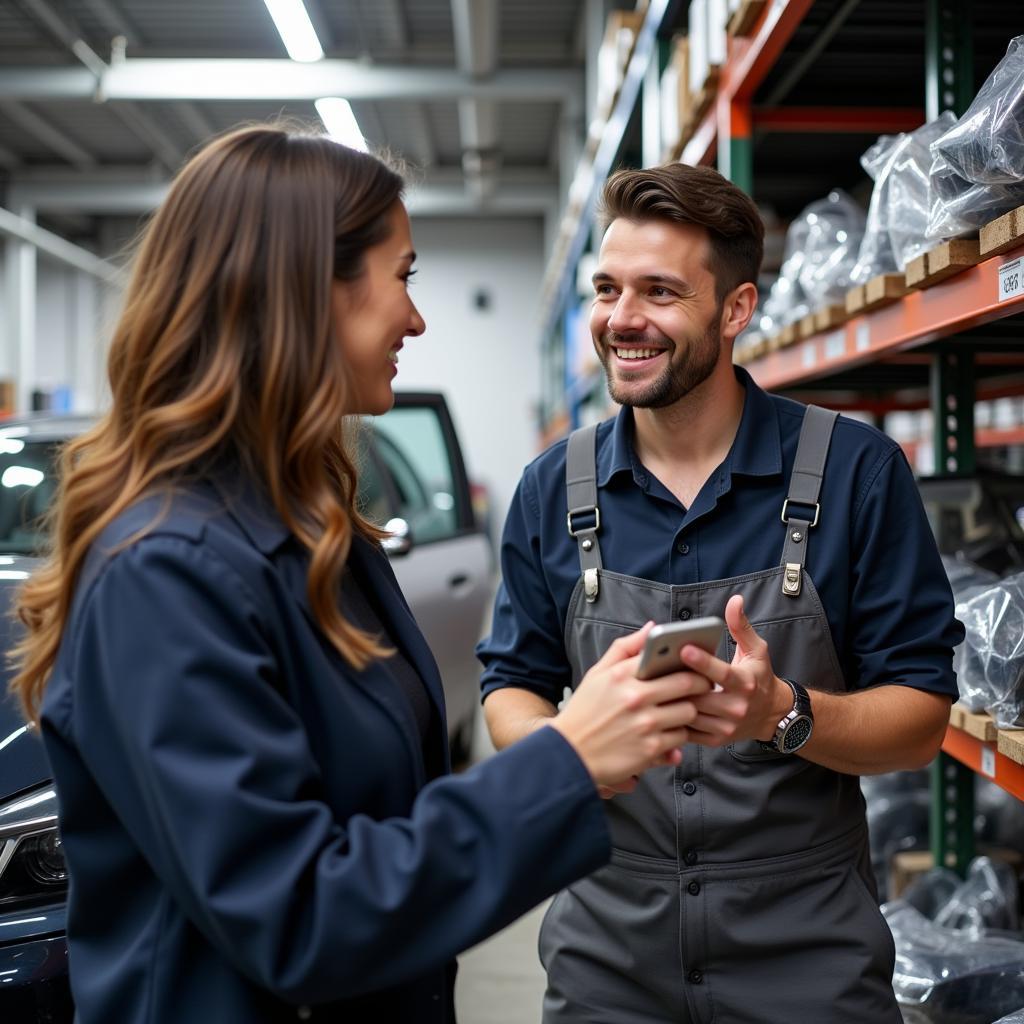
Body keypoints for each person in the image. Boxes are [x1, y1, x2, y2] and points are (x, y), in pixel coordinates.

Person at [8, 126, 713, 1024]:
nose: (416, 319)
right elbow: (296, 916)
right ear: (305, 291)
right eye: (404, 276)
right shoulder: (162, 572)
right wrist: (565, 763)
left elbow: (380, 827)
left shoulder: (320, 537)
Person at [478, 162, 964, 1024]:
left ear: (736, 309)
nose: (622, 320)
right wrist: (572, 754)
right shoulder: (552, 487)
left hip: (808, 964)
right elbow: (510, 683)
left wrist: (783, 712)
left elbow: (920, 717)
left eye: (660, 292)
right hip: (608, 963)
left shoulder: (857, 474)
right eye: (607, 288)